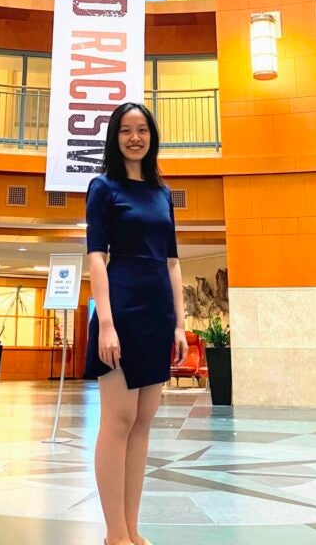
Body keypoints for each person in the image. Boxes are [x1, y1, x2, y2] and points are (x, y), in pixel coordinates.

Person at [84, 101, 188, 545]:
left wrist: (180, 324)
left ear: (152, 135)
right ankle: (113, 533)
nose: (134, 137)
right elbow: (96, 257)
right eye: (125, 130)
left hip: (158, 313)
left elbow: (173, 262)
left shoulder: (163, 194)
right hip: (122, 309)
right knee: (119, 420)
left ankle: (130, 529)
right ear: (115, 137)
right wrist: (105, 322)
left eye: (141, 129)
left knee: (143, 423)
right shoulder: (103, 187)